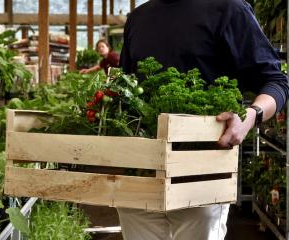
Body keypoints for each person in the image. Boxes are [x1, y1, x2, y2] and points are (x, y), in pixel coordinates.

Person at [118, 0, 289, 239]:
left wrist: (250, 116)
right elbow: (124, 87)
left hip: (203, 169)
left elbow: (276, 81)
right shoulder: (138, 18)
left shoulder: (229, 9)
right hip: (139, 171)